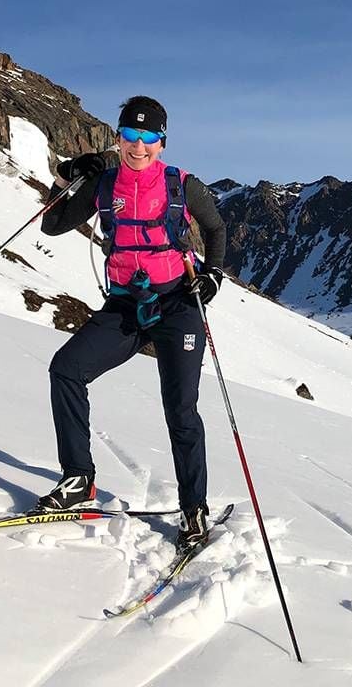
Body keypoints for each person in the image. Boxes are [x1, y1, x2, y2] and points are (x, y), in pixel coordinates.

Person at [35, 96, 227, 549]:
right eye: (129, 135)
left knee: (181, 411)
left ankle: (193, 508)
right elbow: (53, 225)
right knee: (66, 369)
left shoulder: (181, 185)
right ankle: (79, 479)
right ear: (118, 137)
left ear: (162, 142)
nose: (137, 146)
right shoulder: (103, 185)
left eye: (147, 138)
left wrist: (213, 278)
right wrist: (64, 177)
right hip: (124, 306)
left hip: (177, 305)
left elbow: (216, 229)